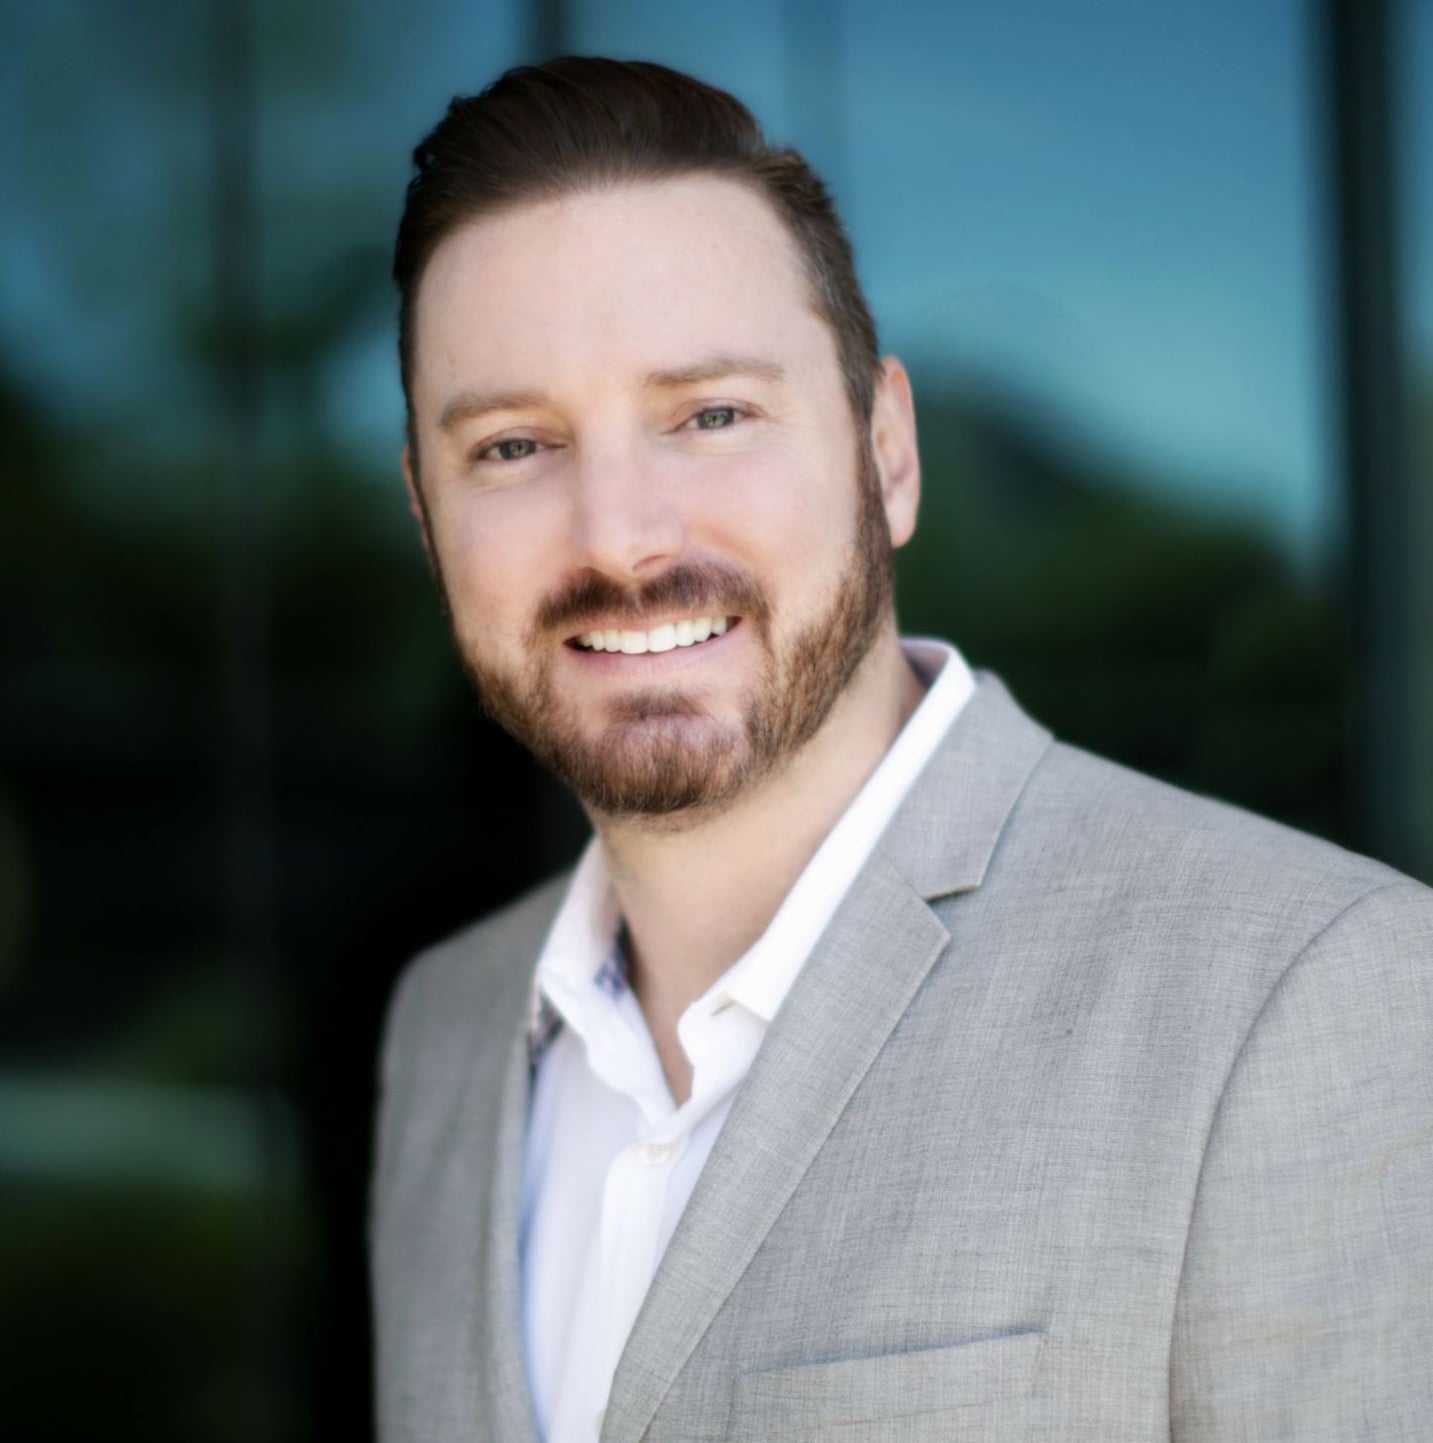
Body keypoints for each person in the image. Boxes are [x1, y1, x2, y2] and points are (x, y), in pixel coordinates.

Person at [369, 56, 1433, 1443]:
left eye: (711, 415)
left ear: (887, 455)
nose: (619, 538)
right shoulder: (445, 1026)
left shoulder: (1310, 996)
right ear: (426, 515)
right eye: (514, 447)